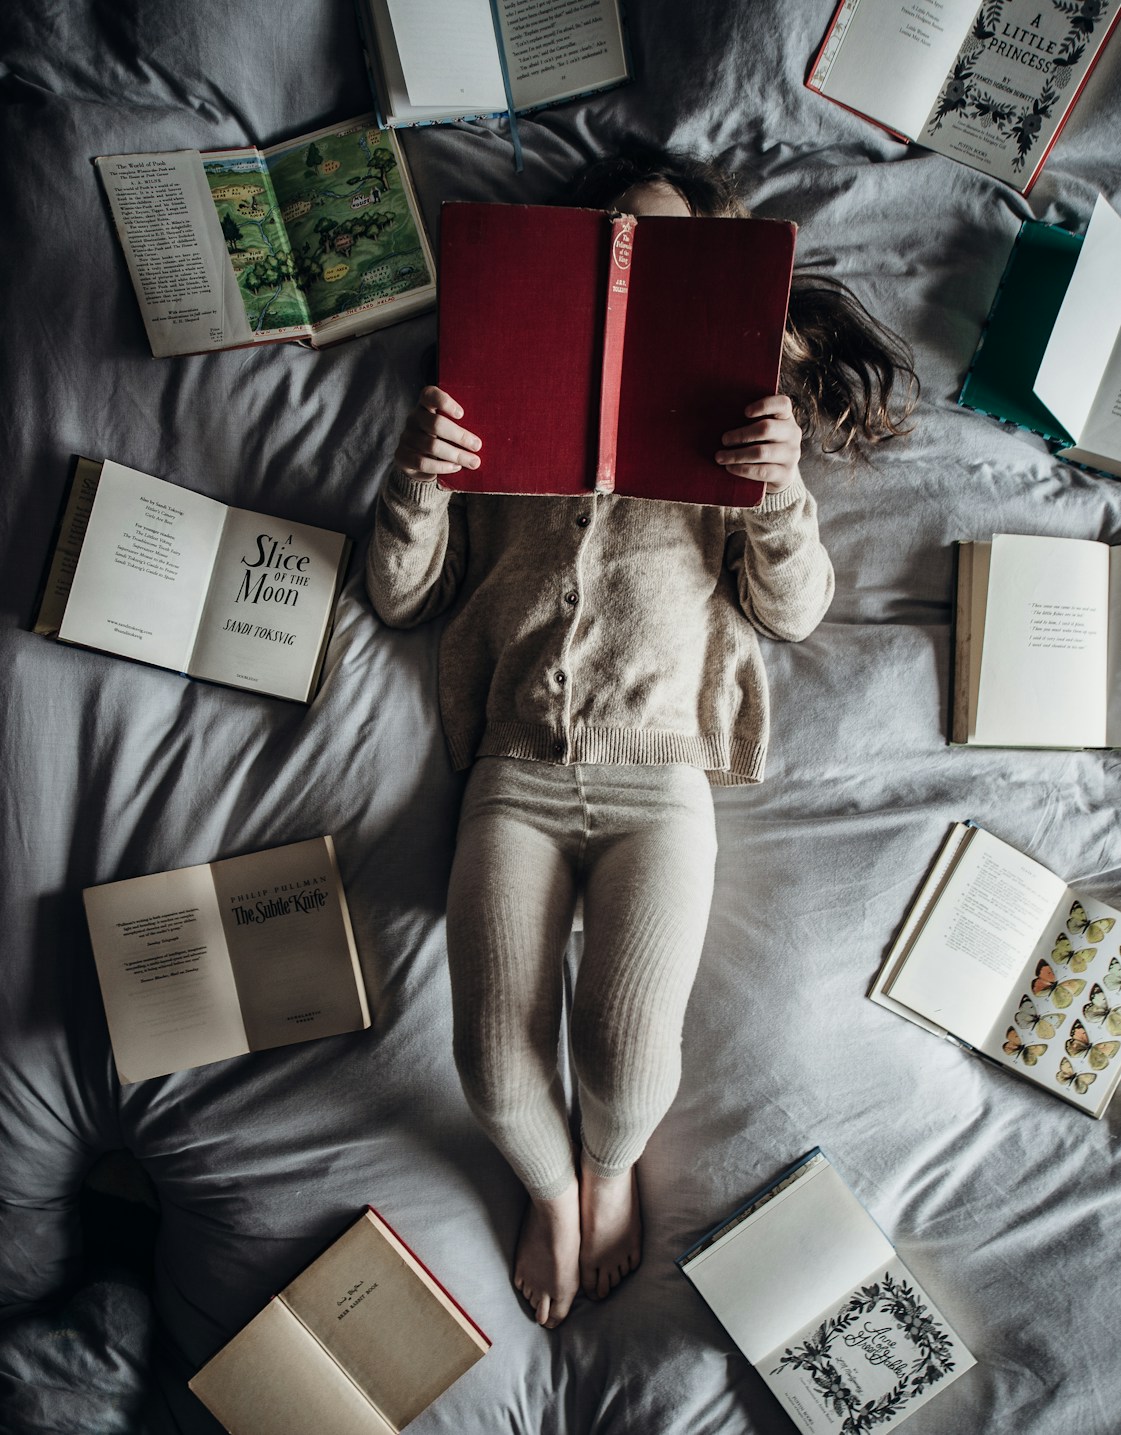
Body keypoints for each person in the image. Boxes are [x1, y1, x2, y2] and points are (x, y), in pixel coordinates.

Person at [367, 150, 916, 1329]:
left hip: (660, 775)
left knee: (620, 1053)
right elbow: (404, 595)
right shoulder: (505, 399)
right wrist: (417, 480)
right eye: (613, 235)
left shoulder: (733, 417)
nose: (632, 259)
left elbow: (794, 608)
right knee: (489, 1059)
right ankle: (554, 1191)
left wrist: (776, 489)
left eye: (660, 248)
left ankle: (609, 1169)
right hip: (511, 773)